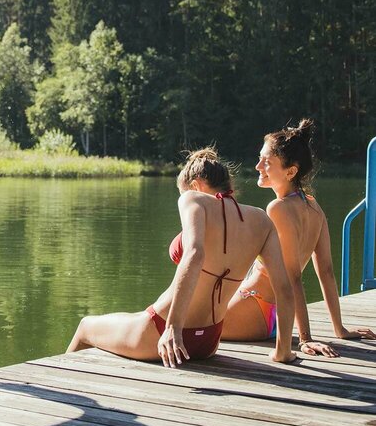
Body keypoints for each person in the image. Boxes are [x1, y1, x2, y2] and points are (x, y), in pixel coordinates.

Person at [67, 148, 296, 367]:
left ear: (195, 185)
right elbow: (284, 288)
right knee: (133, 316)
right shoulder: (261, 220)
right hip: (209, 341)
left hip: (162, 331)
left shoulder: (193, 200)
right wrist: (283, 350)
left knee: (86, 326)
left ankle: (63, 391)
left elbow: (195, 255)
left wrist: (173, 328)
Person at [222, 119, 376, 355]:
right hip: (271, 317)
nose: (258, 166)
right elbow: (326, 271)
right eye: (260, 158)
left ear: (291, 171)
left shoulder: (278, 208)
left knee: (184, 324)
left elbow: (291, 277)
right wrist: (340, 329)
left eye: (267, 162)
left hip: (256, 308)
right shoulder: (315, 208)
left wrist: (305, 338)